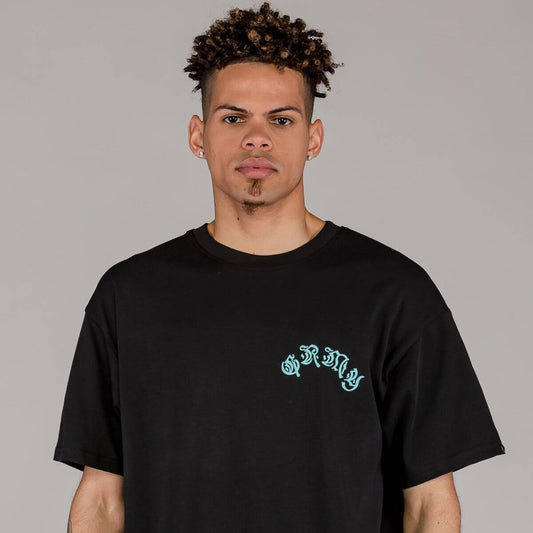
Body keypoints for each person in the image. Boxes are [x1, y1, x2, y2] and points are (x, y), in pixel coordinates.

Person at [53, 3, 505, 532]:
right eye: (234, 118)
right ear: (199, 135)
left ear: (313, 138)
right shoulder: (130, 295)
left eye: (281, 119)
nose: (257, 138)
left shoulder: (393, 292)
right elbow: (102, 499)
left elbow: (429, 503)